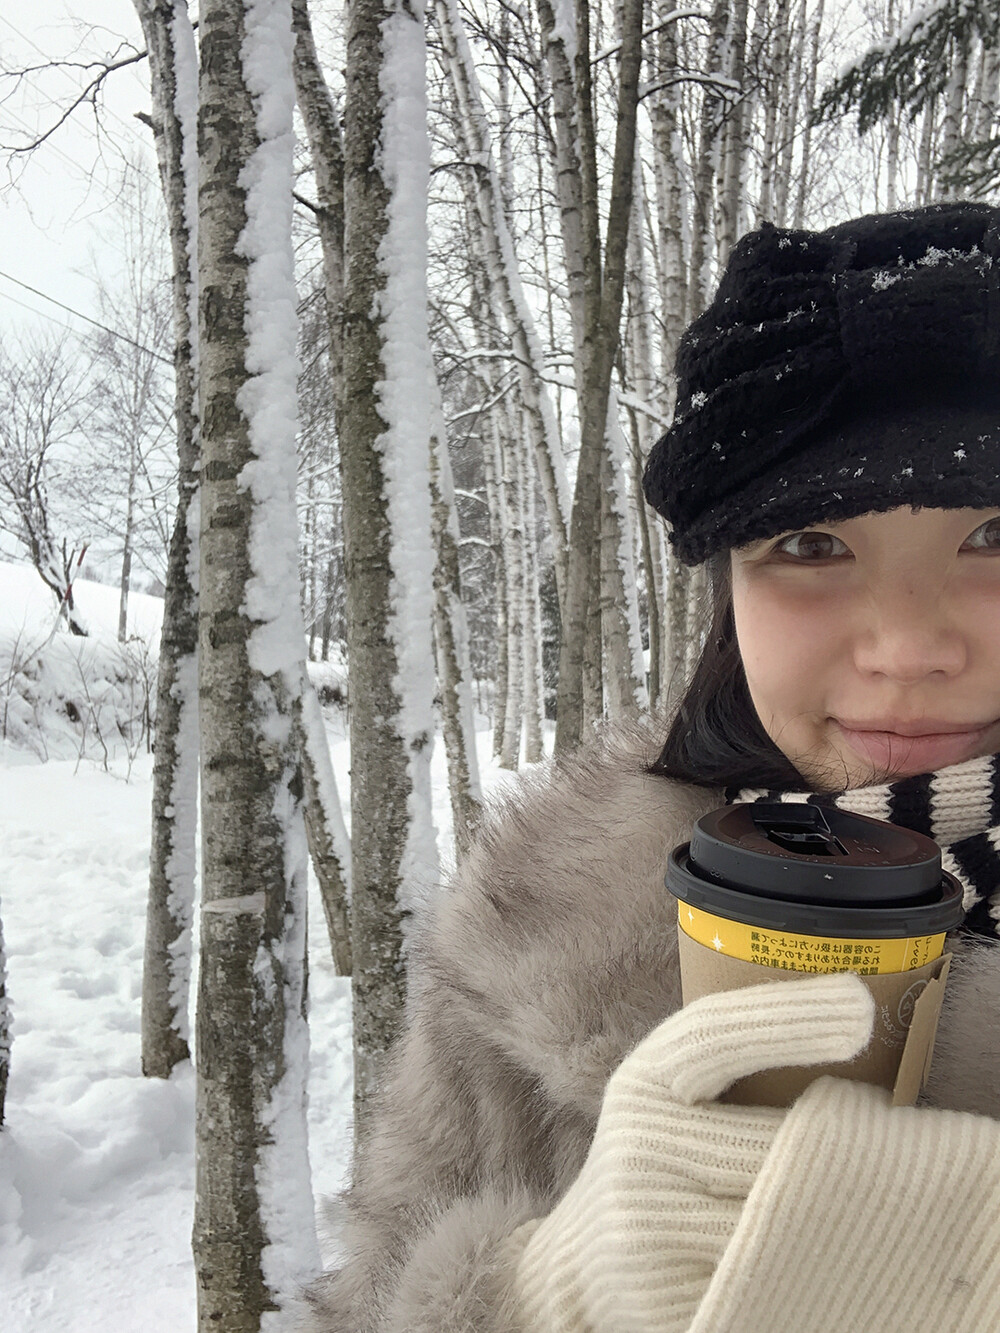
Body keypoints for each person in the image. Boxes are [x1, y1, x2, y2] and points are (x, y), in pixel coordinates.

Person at [301, 202, 1000, 1332]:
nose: (908, 648)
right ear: (729, 593)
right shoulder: (528, 933)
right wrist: (539, 1292)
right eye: (811, 544)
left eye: (993, 535)